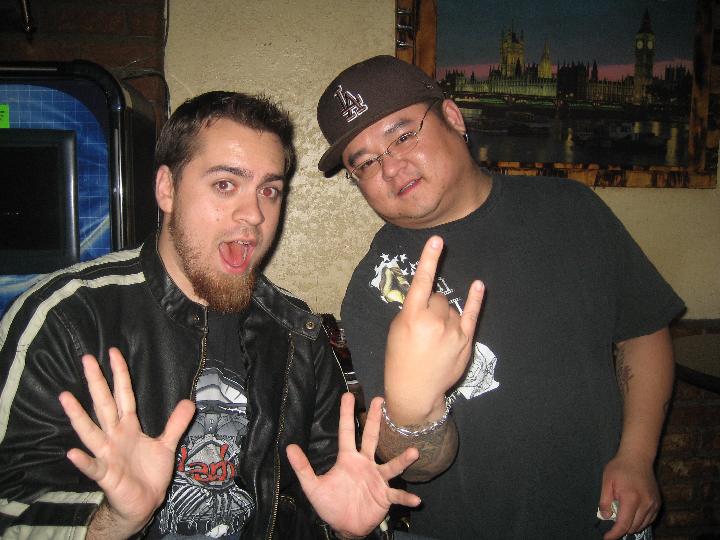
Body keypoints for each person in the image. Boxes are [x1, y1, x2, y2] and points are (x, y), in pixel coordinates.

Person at [0, 90, 435, 539]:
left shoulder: (298, 336)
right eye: (225, 184)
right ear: (167, 189)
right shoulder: (66, 319)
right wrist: (112, 521)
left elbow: (333, 492)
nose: (254, 214)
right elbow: (11, 509)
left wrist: (349, 532)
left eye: (269, 190)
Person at [315, 55, 685, 539]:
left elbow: (642, 331)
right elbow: (419, 468)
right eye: (363, 163)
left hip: (607, 518)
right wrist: (413, 412)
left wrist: (637, 456)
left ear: (452, 118)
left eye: (402, 136)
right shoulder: (376, 287)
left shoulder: (572, 211)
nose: (389, 168)